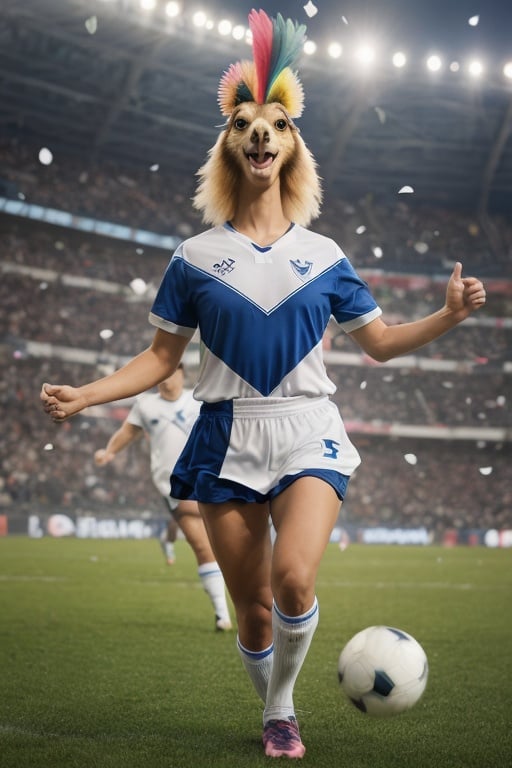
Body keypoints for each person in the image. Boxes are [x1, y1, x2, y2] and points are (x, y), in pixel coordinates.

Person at [41, 9, 487, 759]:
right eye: (245, 123)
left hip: (307, 425)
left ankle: (282, 708)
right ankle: (275, 706)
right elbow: (160, 358)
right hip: (224, 432)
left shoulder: (326, 255)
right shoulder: (192, 256)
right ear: (230, 144)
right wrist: (89, 394)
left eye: (275, 124)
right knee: (251, 613)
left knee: (293, 581)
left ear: (290, 147)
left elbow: (376, 344)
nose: (260, 133)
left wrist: (445, 317)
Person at [93, 365, 232, 632]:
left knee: (223, 543)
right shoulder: (146, 406)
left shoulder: (199, 399)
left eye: (170, 374)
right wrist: (109, 451)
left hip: (210, 477)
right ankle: (222, 614)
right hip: (173, 484)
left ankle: (169, 537)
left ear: (181, 374)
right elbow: (128, 432)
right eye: (160, 375)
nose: (165, 380)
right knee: (202, 545)